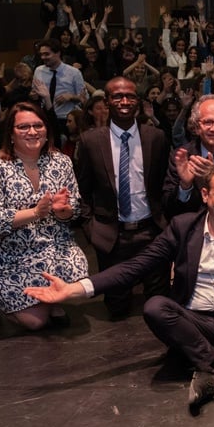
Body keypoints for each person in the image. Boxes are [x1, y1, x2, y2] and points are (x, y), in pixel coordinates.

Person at [25, 164, 214, 412]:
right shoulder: (183, 227)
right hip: (193, 323)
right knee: (155, 306)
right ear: (205, 195)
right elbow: (136, 266)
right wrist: (75, 290)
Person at [0, 102, 88, 329]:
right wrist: (35, 212)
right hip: (10, 253)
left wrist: (64, 212)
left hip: (55, 246)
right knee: (35, 322)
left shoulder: (61, 162)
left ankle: (49, 302)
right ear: (11, 134)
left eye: (38, 125)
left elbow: (75, 210)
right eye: (23, 127)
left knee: (80, 289)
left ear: (47, 129)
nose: (32, 132)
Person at [75, 77, 170, 319]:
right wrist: (91, 228)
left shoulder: (156, 137)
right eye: (117, 96)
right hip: (112, 235)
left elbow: (164, 185)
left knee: (159, 304)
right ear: (107, 102)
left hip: (151, 230)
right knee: (117, 309)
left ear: (137, 100)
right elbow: (82, 191)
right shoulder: (91, 141)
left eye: (130, 96)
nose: (124, 101)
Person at [33, 38, 87, 135]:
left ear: (58, 53)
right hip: (45, 118)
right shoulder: (38, 71)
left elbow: (85, 99)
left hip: (65, 120)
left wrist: (71, 96)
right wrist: (34, 95)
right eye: (41, 54)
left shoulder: (74, 73)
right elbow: (35, 93)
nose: (43, 57)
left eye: (47, 54)